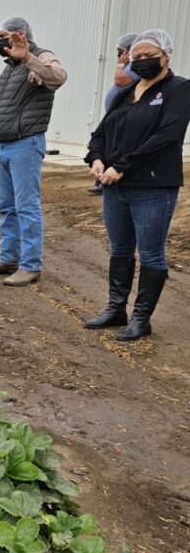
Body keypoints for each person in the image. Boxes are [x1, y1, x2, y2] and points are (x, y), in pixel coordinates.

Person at [83, 29, 190, 341]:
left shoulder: (179, 90)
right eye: (136, 57)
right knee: (119, 249)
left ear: (166, 55)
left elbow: (165, 137)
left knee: (151, 252)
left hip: (152, 188)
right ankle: (116, 308)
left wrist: (122, 166)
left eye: (149, 55)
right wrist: (97, 159)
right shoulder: (124, 93)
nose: (141, 61)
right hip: (115, 187)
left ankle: (141, 318)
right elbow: (100, 132)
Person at [0, 16, 67, 286]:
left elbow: (58, 78)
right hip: (3, 146)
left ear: (19, 35)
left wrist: (28, 57)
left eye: (2, 36)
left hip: (25, 144)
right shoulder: (9, 68)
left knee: (26, 207)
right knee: (6, 207)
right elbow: (2, 113)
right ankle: (8, 259)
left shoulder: (40, 57)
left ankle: (30, 265)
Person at [90, 32, 141, 194]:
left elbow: (120, 81)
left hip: (124, 114)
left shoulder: (135, 66)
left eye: (122, 51)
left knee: (116, 147)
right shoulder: (129, 66)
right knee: (102, 144)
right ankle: (101, 179)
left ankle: (106, 178)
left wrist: (121, 64)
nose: (120, 54)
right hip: (114, 113)